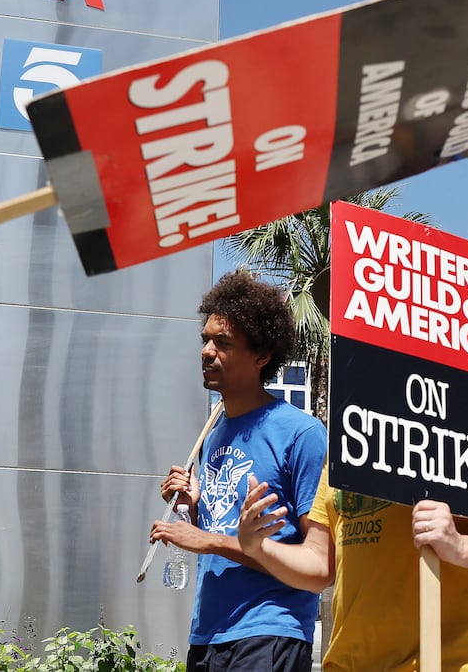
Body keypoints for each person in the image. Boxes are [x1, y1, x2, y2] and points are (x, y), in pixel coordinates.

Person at [235, 433, 468, 670]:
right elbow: (320, 567)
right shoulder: (345, 437)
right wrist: (259, 547)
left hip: (453, 664)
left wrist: (460, 546)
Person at [149, 270, 327, 672]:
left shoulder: (302, 433)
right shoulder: (214, 433)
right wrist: (193, 508)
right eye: (205, 339)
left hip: (269, 633)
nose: (207, 351)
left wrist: (207, 540)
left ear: (262, 356)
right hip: (208, 635)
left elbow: (319, 569)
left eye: (223, 342)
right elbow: (228, 530)